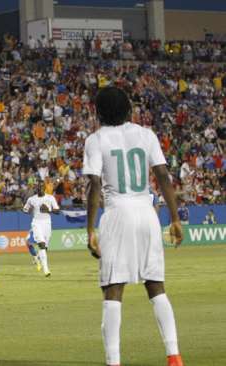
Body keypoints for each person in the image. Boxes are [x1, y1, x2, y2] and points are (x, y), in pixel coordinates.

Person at [84, 86, 184, 366]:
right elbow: (163, 175)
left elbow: (94, 184)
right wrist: (175, 219)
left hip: (117, 212)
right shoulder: (146, 134)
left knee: (113, 289)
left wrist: (90, 229)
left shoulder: (96, 139)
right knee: (156, 286)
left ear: (98, 112)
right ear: (129, 110)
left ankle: (114, 361)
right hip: (147, 212)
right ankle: (174, 356)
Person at [23, 181, 59, 277]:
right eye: (38, 187)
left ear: (44, 188)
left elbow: (58, 211)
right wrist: (28, 210)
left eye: (41, 187)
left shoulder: (50, 198)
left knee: (45, 247)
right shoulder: (31, 199)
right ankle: (46, 270)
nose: (39, 188)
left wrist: (49, 210)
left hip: (47, 224)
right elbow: (25, 209)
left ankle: (38, 258)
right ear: (36, 189)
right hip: (36, 223)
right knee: (42, 244)